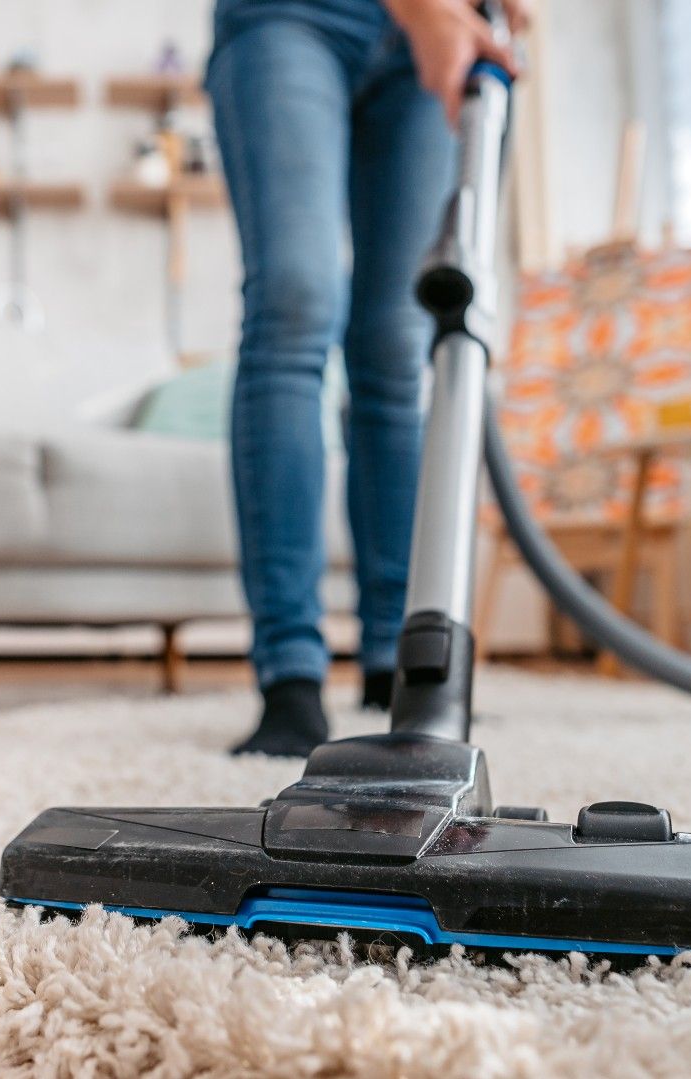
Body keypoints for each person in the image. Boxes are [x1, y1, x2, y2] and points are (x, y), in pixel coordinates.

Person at [207, 0, 523, 756]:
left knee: (396, 339)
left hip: (438, 29)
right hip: (292, 16)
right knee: (295, 303)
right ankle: (290, 675)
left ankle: (397, 659)